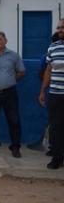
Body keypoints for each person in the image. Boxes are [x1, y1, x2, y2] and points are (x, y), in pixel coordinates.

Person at [29, 32, 61, 152]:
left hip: (53, 90)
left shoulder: (46, 56)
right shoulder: (51, 53)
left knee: (54, 121)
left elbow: (42, 73)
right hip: (53, 91)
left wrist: (43, 89)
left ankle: (52, 147)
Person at [39, 18, 64, 170]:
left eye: (63, 27)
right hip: (55, 94)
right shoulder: (53, 47)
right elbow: (48, 70)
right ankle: (57, 157)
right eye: (58, 27)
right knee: (55, 127)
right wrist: (42, 90)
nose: (60, 30)